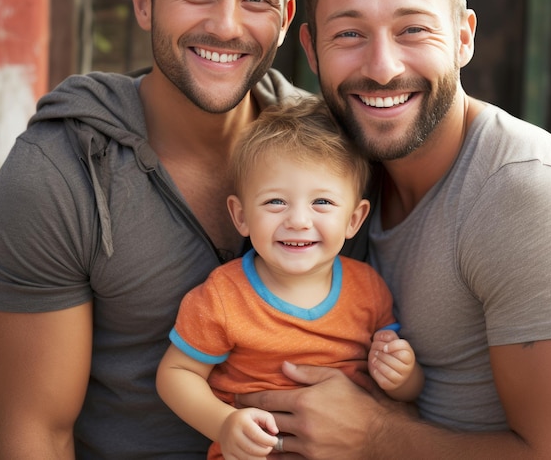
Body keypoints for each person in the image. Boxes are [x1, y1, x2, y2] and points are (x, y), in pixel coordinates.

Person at [239, 0, 551, 458]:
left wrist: (375, 434)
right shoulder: (338, 169)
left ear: (464, 37)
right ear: (310, 48)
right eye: (349, 34)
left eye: (413, 30)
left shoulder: (528, 196)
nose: (383, 67)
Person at [0, 0, 311, 459]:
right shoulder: (59, 173)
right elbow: (38, 434)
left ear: (284, 19)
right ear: (143, 1)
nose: (226, 26)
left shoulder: (329, 151)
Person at [156, 97, 424, 460]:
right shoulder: (224, 295)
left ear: (354, 220)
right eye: (275, 202)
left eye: (323, 203)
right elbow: (176, 373)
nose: (298, 220)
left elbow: (403, 391)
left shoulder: (368, 289)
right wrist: (223, 424)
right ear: (241, 216)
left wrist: (403, 376)